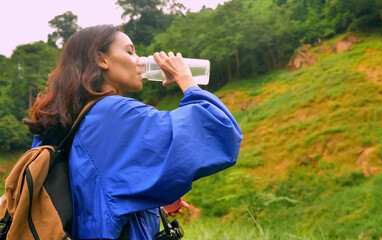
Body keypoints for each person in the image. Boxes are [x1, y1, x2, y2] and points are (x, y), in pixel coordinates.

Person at [23, 25, 242, 240]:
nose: (139, 60)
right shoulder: (113, 113)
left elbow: (98, 192)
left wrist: (151, 198)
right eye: (129, 51)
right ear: (102, 60)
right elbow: (221, 130)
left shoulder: (69, 119)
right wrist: (186, 79)